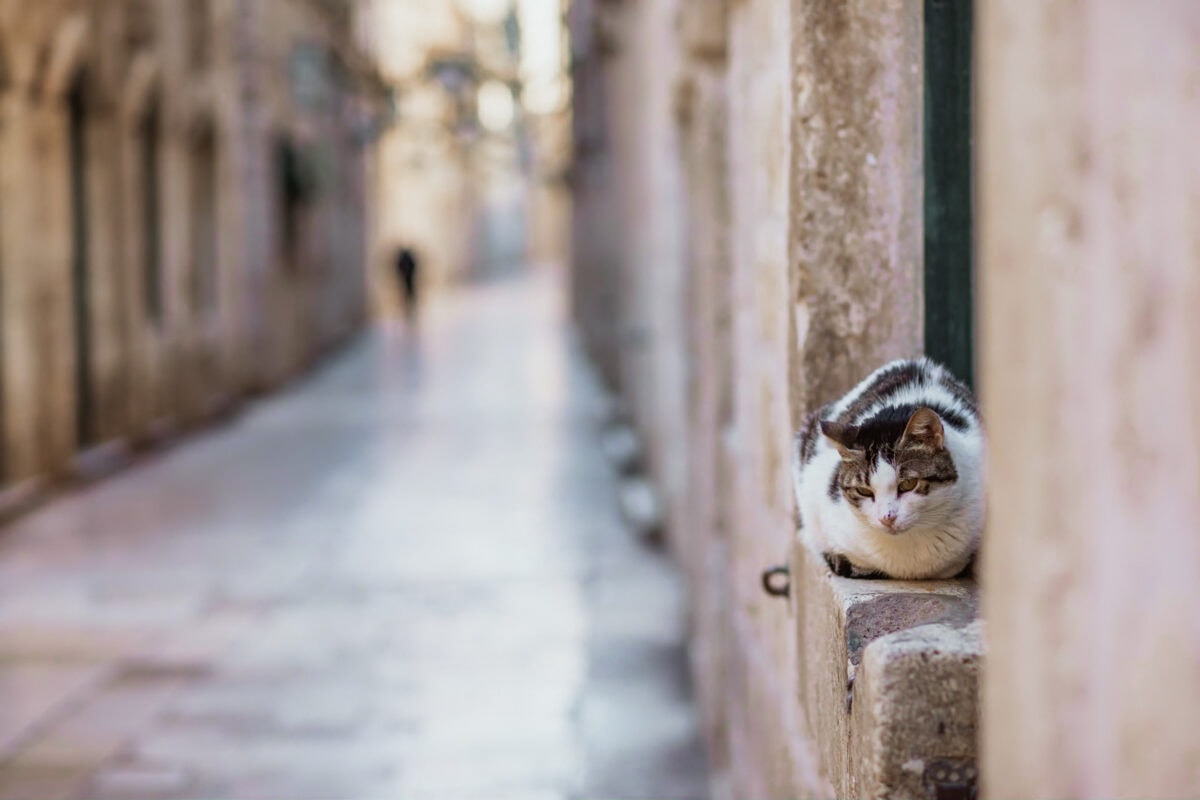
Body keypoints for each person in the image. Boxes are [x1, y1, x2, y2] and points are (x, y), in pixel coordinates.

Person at [394, 246, 419, 318]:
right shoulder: (404, 259)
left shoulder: (407, 259)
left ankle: (410, 307)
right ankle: (407, 307)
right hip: (405, 279)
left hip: (408, 279)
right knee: (406, 293)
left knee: (409, 293)